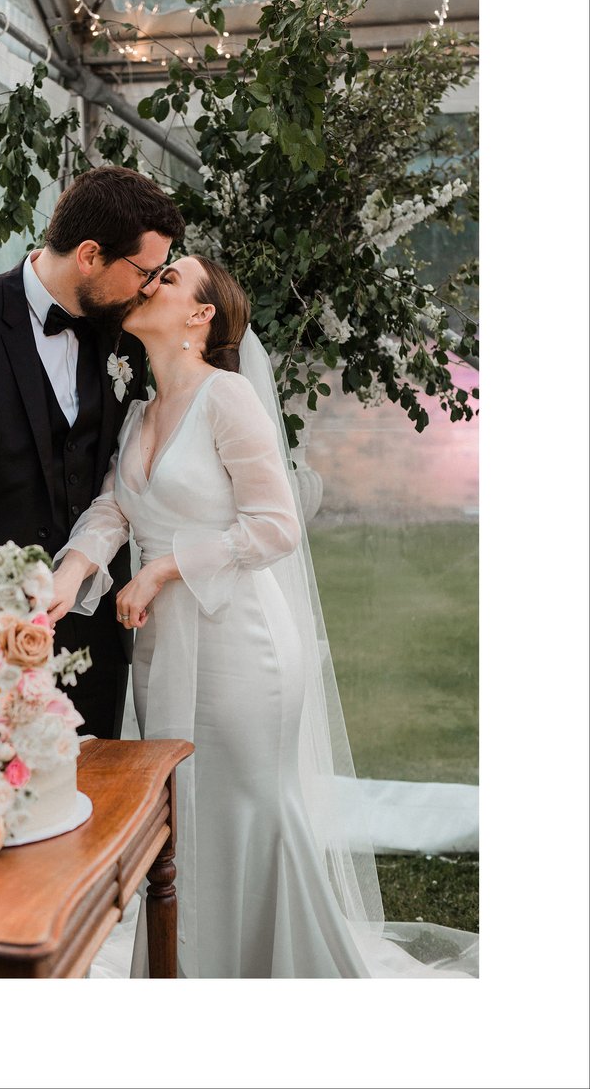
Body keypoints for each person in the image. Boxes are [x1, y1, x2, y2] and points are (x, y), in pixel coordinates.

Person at [48, 254, 477, 978]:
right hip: (163, 650)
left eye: (170, 278)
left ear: (201, 315)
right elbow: (116, 507)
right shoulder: (142, 412)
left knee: (249, 809)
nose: (150, 283)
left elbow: (276, 524)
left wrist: (162, 567)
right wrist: (72, 570)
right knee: (183, 817)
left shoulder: (228, 399)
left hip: (241, 644)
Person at [0, 165, 178, 740]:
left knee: (91, 807)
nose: (149, 287)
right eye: (144, 271)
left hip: (93, 630)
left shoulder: (126, 335)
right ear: (90, 255)